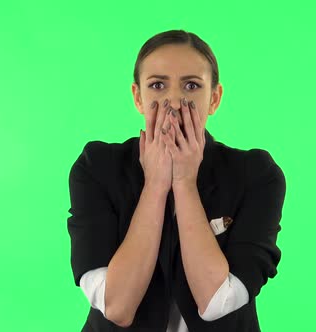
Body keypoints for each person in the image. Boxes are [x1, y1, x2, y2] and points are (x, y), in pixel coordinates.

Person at [67, 29, 287, 332]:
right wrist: (156, 185)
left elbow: (217, 302)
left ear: (214, 98)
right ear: (138, 97)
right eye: (157, 85)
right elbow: (117, 306)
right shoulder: (97, 168)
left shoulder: (256, 175)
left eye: (192, 86)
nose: (174, 101)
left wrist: (183, 181)